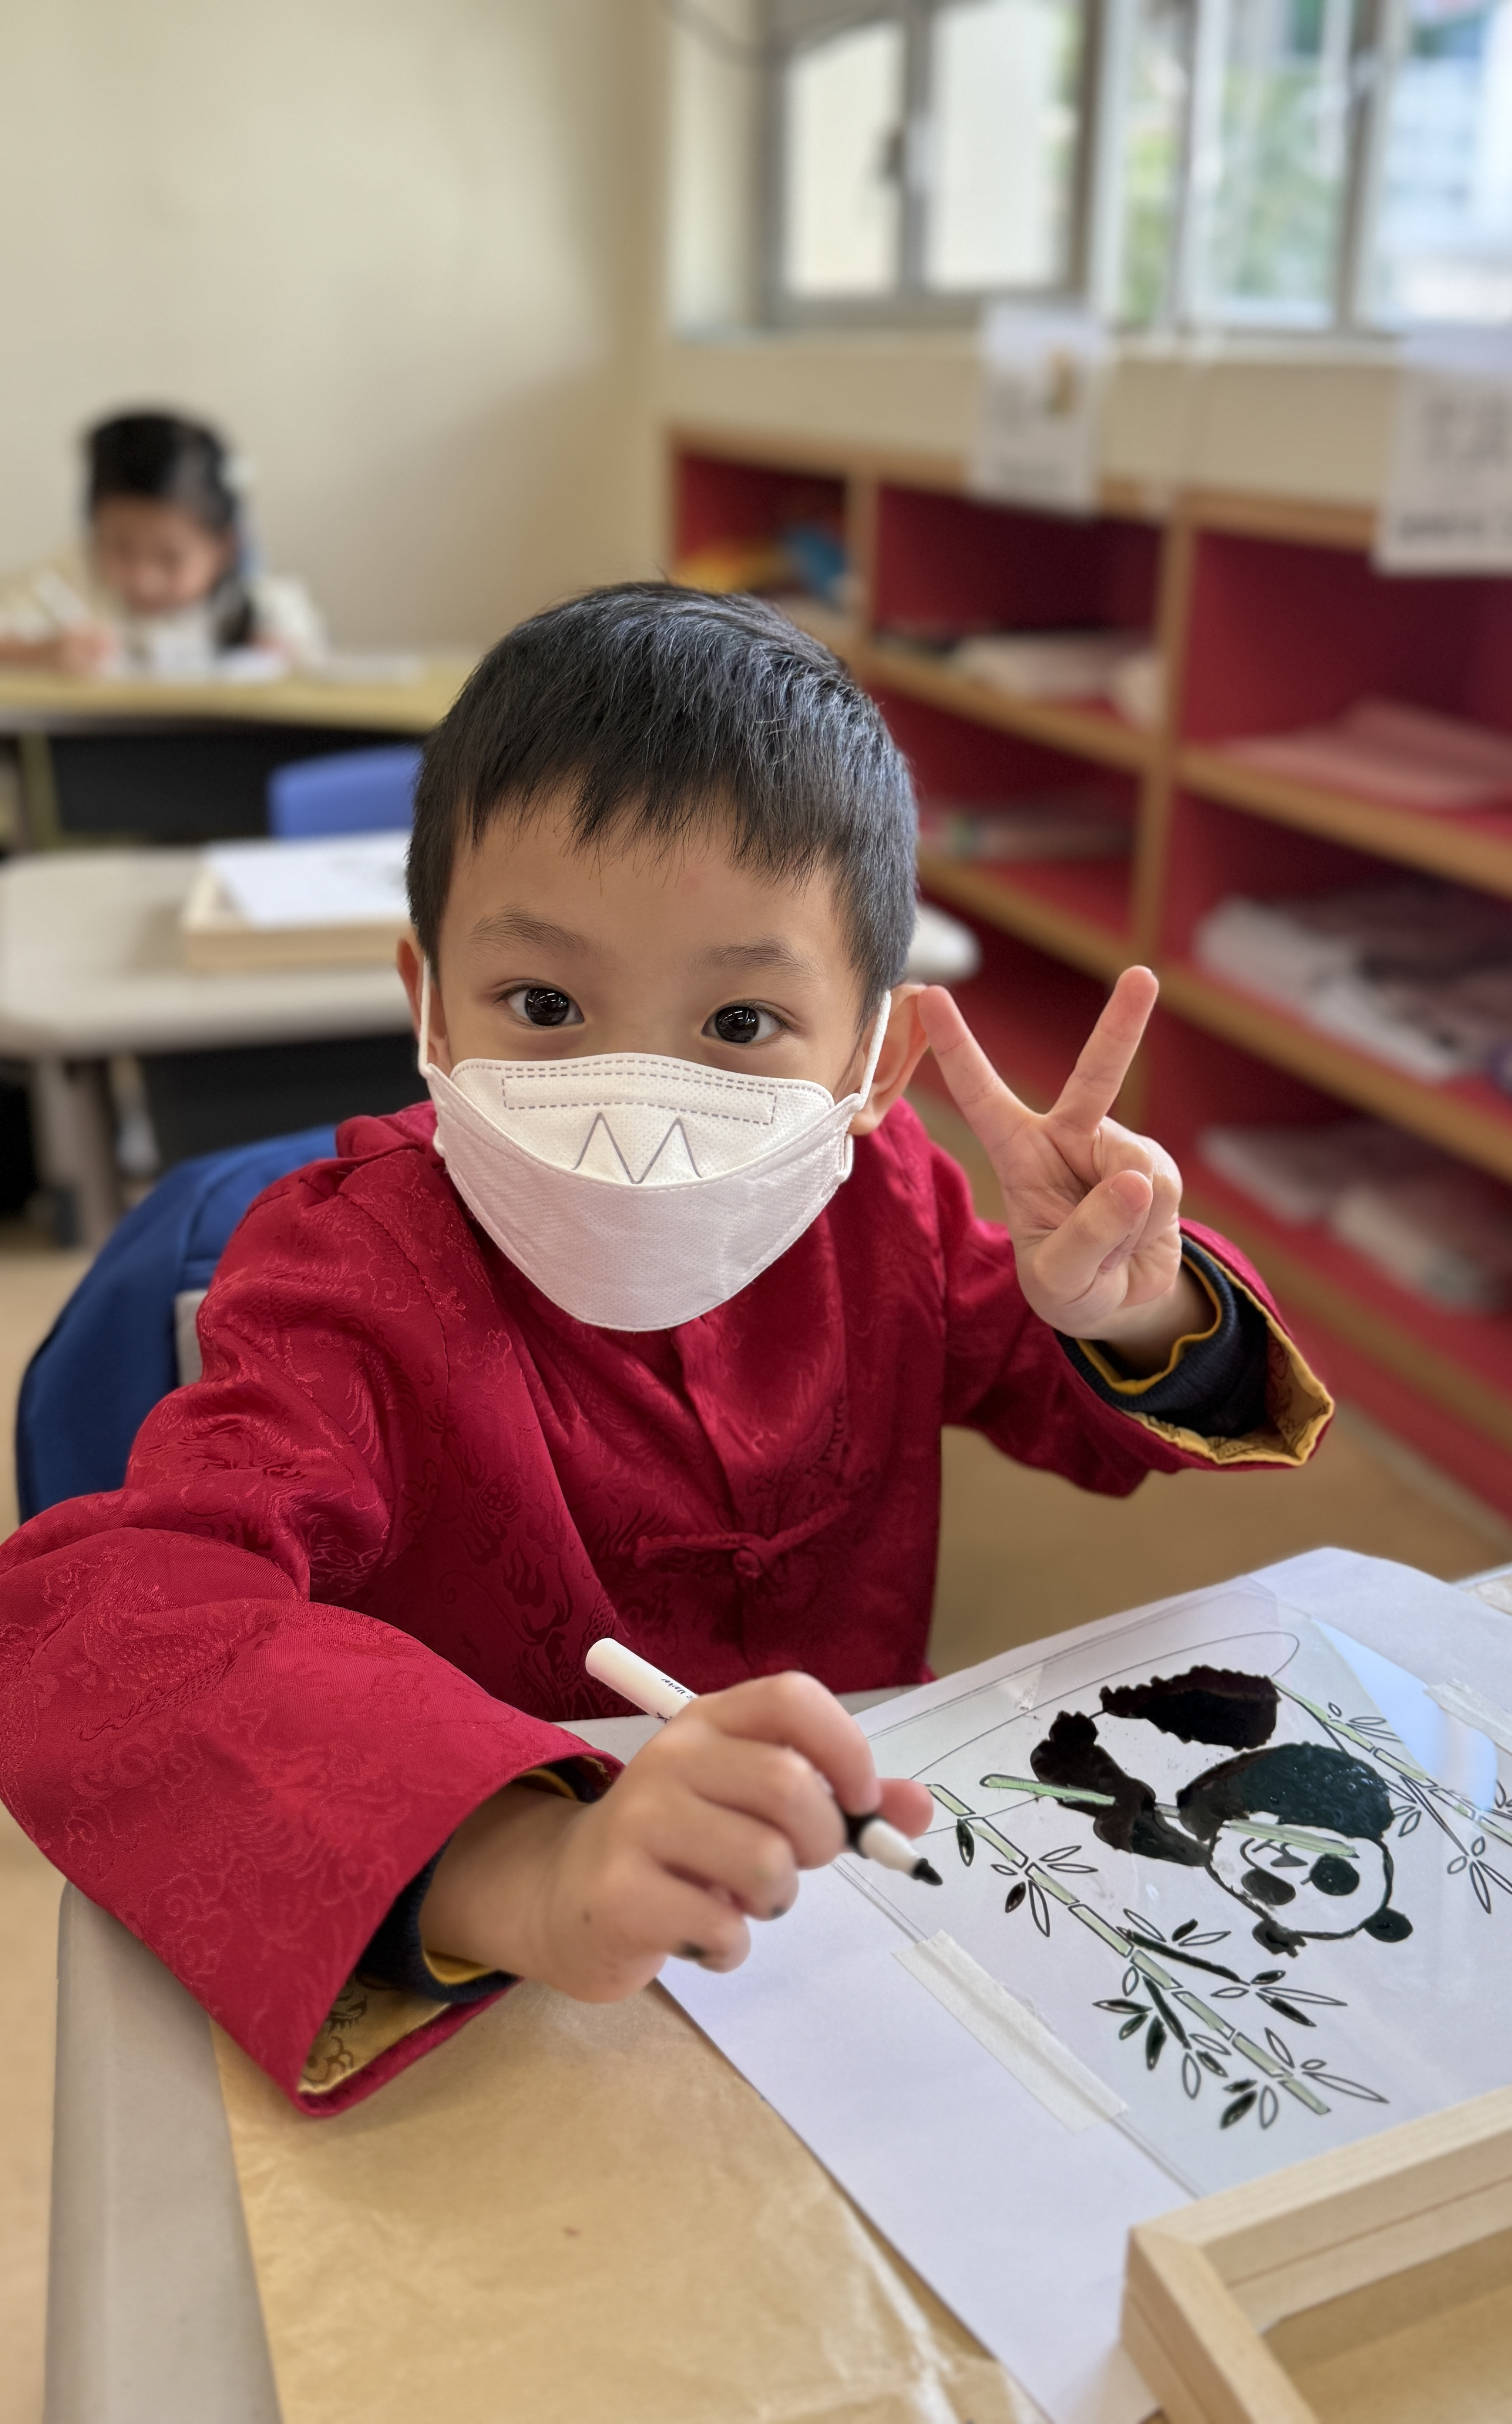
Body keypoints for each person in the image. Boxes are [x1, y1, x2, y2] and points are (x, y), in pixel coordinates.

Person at [0, 586, 1330, 2113]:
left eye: (742, 1022)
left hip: (853, 1893)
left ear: (876, 1059)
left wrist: (1125, 1305)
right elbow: (101, 1631)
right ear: (429, 1004)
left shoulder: (884, 1200)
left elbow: (1075, 1392)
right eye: (546, 1003)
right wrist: (526, 1859)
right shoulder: (344, 1274)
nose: (632, 1103)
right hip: (511, 1970)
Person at [0, 409, 325, 677]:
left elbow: (315, 663)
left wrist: (282, 657)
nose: (145, 579)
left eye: (171, 558)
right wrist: (39, 653)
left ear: (227, 546)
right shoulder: (70, 575)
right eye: (121, 549)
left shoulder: (263, 606)